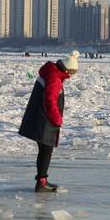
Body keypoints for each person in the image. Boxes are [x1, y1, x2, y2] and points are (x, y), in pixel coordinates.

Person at [18, 50, 80, 192]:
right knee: (46, 151)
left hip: (41, 118)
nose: (70, 76)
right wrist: (57, 119)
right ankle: (41, 182)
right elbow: (50, 100)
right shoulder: (54, 79)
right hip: (45, 121)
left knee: (44, 150)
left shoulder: (50, 73)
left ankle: (42, 180)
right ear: (66, 69)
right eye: (71, 72)